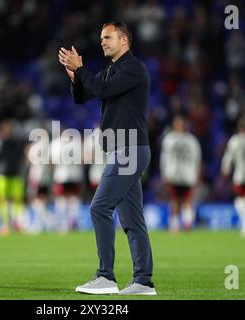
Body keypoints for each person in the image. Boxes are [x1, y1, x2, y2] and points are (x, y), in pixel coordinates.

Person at [59, 21, 156, 295]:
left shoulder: (133, 68)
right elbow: (84, 96)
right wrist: (74, 77)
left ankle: (106, 277)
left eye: (108, 37)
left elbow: (103, 90)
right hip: (124, 149)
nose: (102, 41)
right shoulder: (113, 69)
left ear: (124, 40)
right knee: (132, 219)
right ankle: (143, 281)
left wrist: (81, 70)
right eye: (101, 37)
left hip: (130, 149)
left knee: (98, 208)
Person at [160, 114, 202, 232]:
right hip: (179, 174)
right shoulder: (191, 140)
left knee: (184, 200)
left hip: (182, 174)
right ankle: (177, 226)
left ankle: (183, 225)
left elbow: (197, 160)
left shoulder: (170, 139)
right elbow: (197, 159)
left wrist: (164, 173)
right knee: (177, 200)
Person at [0, 120, 27, 235]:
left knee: (11, 201)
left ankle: (14, 224)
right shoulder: (13, 142)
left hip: (8, 175)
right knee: (6, 201)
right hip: (6, 175)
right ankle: (7, 225)